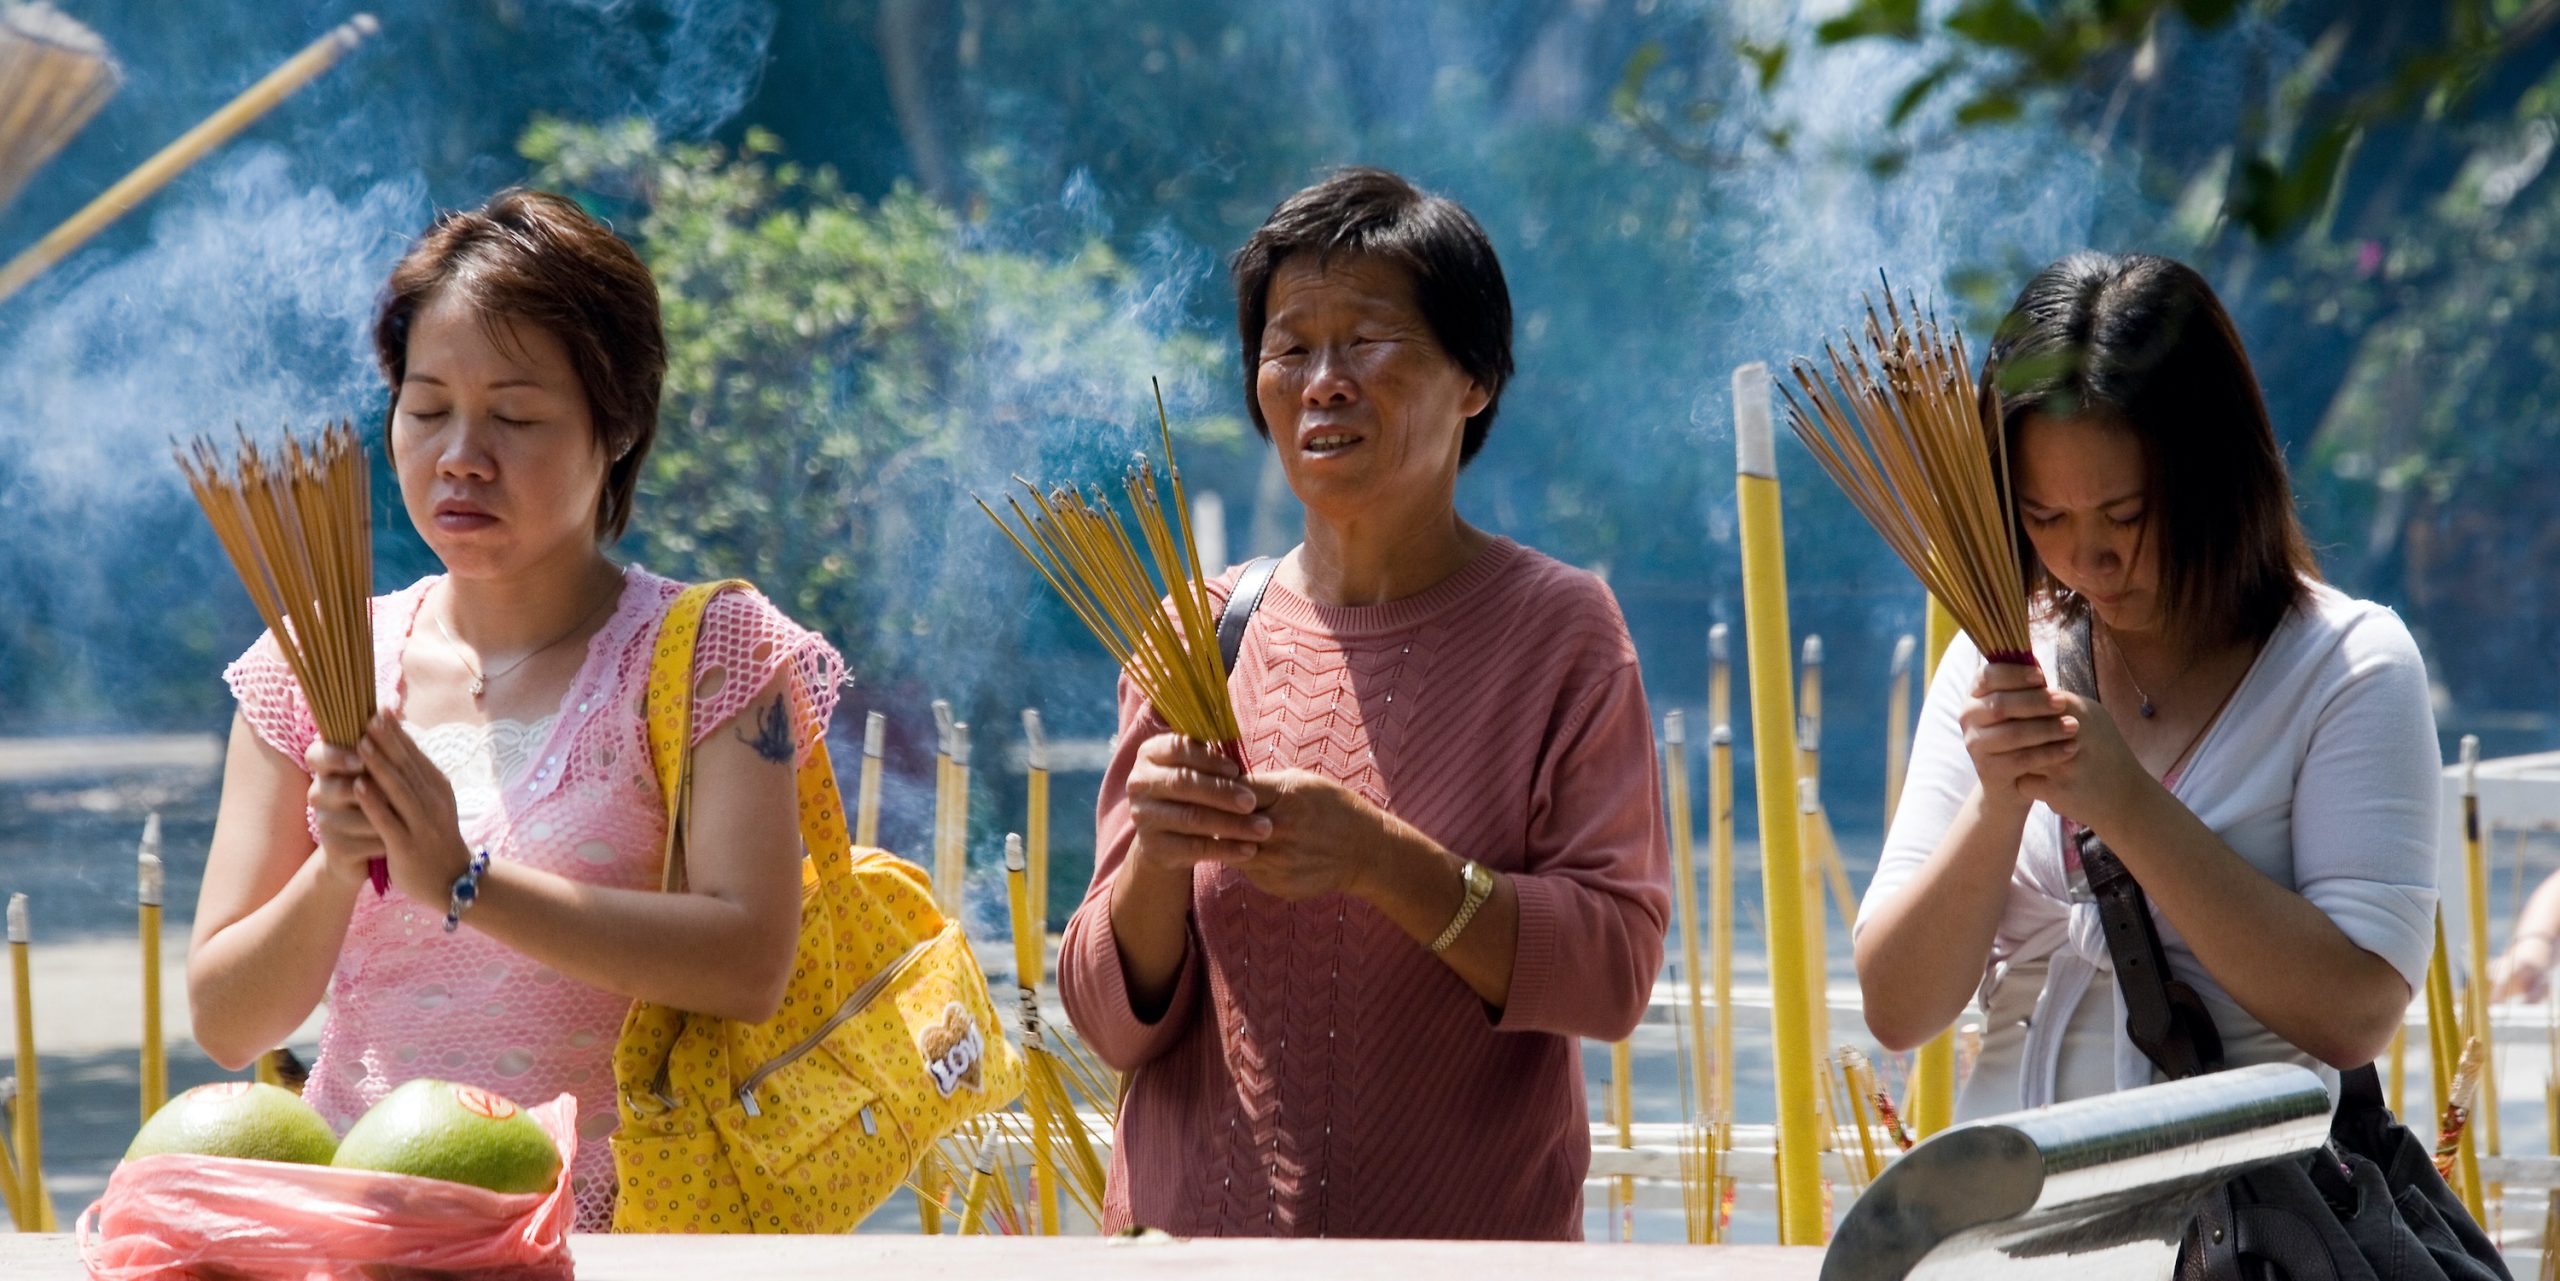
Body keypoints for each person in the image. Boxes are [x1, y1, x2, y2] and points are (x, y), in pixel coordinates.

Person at [187, 190, 844, 1230]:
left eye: (518, 416)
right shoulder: (314, 665)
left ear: (618, 425)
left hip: (618, 1236)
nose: (461, 455)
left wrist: (462, 880)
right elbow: (227, 1019)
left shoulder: (714, 655)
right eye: (428, 405)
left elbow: (749, 962)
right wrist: (334, 861)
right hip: (371, 1227)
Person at [1056, 167, 1671, 1240]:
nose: (1321, 381)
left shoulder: (1563, 633)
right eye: (1289, 347)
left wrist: (1382, 862)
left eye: (1367, 341)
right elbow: (1108, 1020)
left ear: (1474, 377)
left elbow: (1612, 972)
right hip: (1191, 1251)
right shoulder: (1195, 632)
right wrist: (1157, 859)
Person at [1855, 252, 2439, 1116]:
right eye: (2044, 517)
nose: (2086, 559)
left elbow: (2354, 1012)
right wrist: (1998, 798)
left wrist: (2124, 802)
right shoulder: (1997, 663)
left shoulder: (2350, 667)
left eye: (2126, 516)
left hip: (2233, 1229)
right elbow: (1898, 1009)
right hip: (2011, 1215)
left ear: (2216, 481)